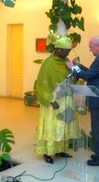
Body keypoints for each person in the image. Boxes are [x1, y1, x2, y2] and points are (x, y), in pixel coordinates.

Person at [66, 36, 99, 166]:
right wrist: (79, 65)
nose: (89, 50)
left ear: (97, 46)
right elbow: (92, 72)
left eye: (90, 47)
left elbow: (88, 76)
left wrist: (73, 68)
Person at [34, 33, 81, 164]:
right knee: (52, 126)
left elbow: (72, 79)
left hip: (66, 98)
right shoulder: (48, 64)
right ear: (58, 49)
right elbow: (41, 84)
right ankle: (48, 152)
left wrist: (75, 69)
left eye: (69, 50)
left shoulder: (66, 62)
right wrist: (50, 100)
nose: (68, 53)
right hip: (53, 100)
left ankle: (60, 149)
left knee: (63, 126)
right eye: (66, 50)